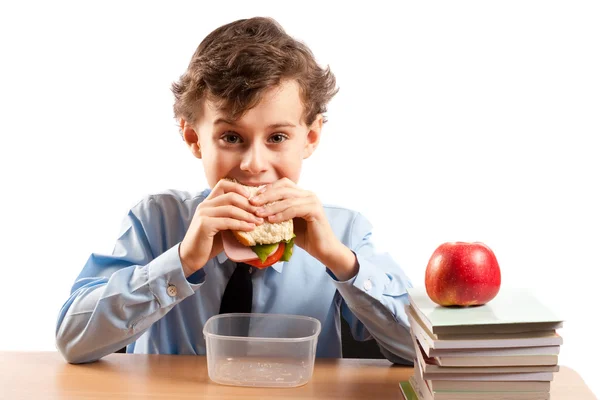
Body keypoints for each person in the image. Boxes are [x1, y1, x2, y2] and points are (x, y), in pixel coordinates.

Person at [55, 16, 415, 365]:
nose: (253, 164)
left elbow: (420, 353)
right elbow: (72, 340)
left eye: (277, 137)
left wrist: (340, 260)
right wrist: (181, 262)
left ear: (311, 137)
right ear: (194, 138)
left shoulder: (344, 232)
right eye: (231, 137)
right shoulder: (155, 221)